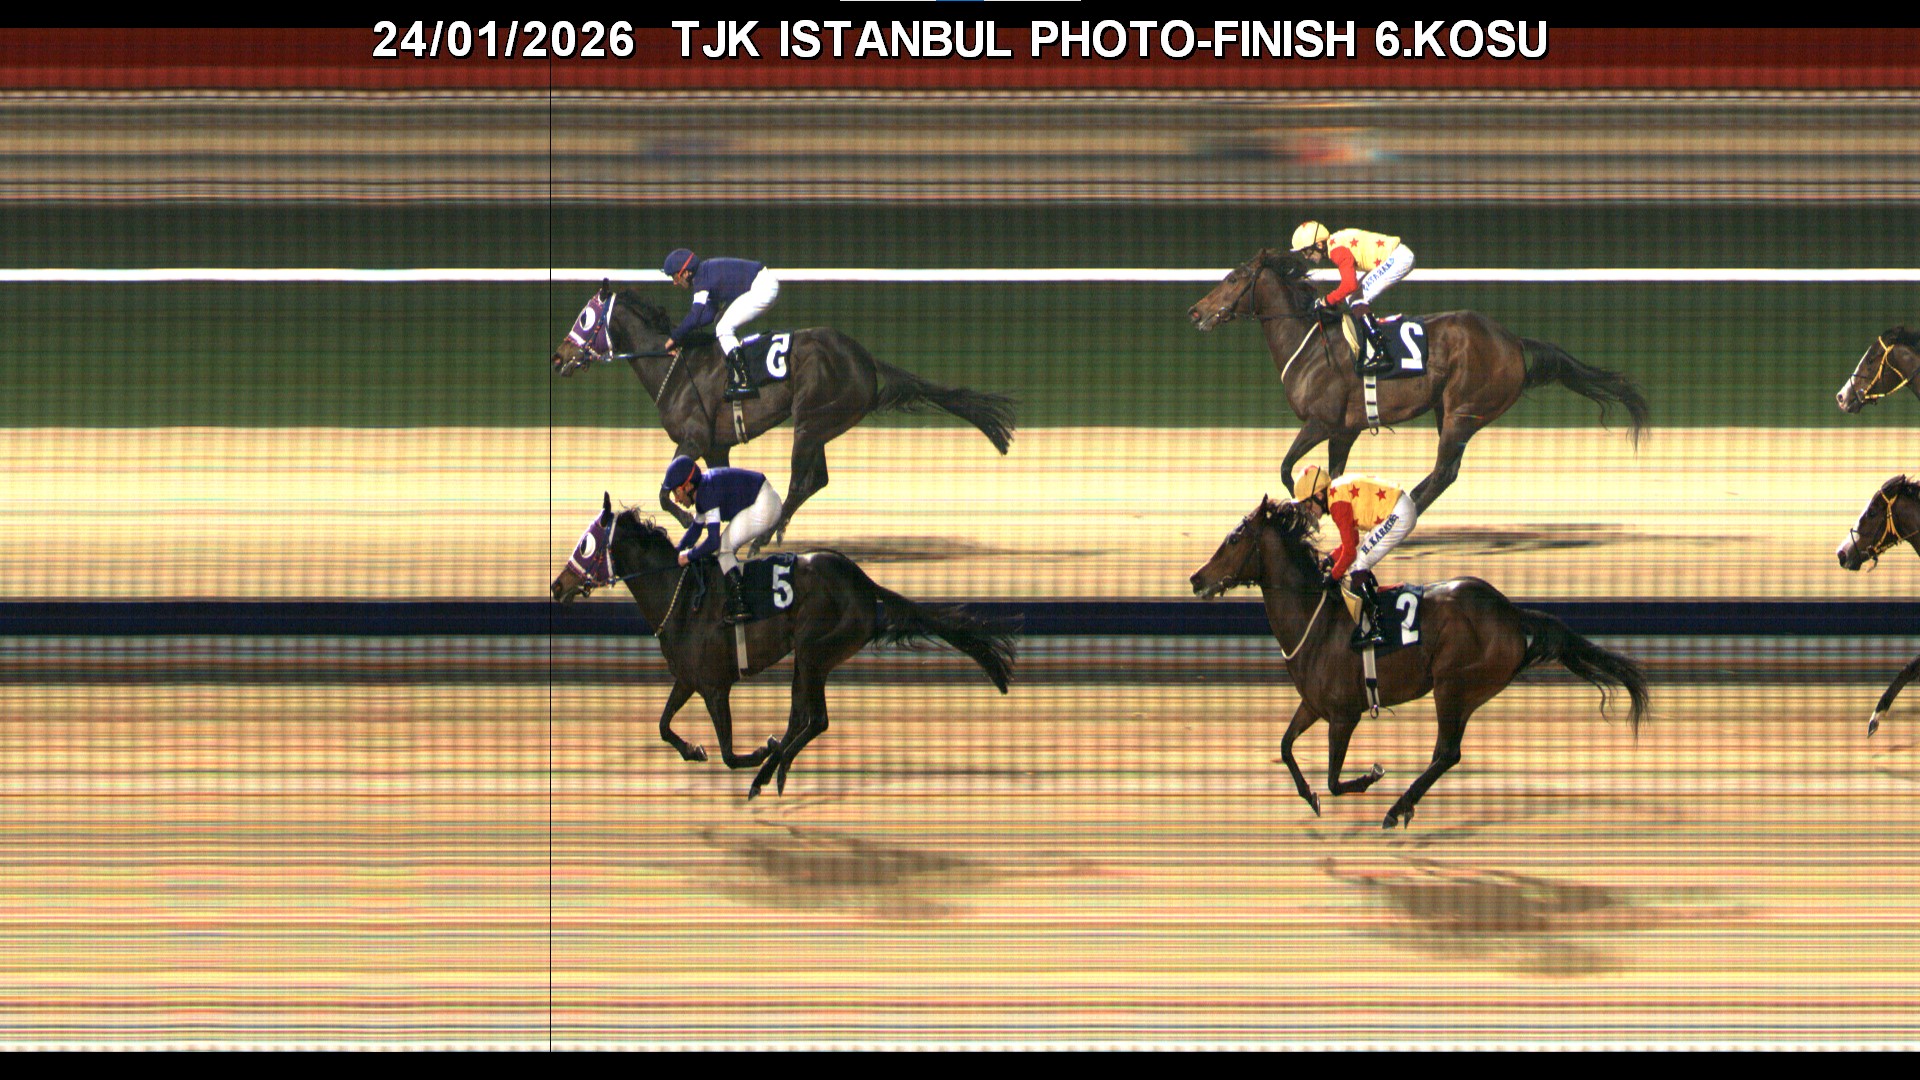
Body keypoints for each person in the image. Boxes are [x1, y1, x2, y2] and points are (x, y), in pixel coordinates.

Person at [1291, 464, 1418, 647]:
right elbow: (1353, 540)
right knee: (1358, 562)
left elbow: (1350, 552)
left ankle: (1378, 627)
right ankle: (1376, 610)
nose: (1308, 511)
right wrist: (1330, 560)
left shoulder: (1337, 504)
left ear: (1318, 495)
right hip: (1399, 508)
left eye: (1307, 504)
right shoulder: (1336, 493)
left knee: (1358, 564)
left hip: (1398, 513)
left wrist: (1332, 578)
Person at [662, 455, 785, 625]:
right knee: (724, 548)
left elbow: (713, 542)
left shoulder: (707, 493)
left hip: (765, 504)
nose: (676, 499)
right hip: (765, 498)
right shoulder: (703, 490)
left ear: (688, 486)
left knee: (723, 548)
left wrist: (688, 556)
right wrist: (676, 552)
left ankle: (741, 603)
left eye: (677, 492)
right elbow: (695, 530)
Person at [1289, 222, 1415, 370]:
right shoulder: (1335, 243)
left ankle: (1382, 353)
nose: (1306, 257)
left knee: (1359, 299)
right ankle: (1374, 345)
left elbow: (1350, 285)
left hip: (1398, 258)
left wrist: (1326, 301)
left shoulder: (1337, 251)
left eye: (1307, 251)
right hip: (1396, 255)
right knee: (1353, 298)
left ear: (1319, 245)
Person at [660, 248, 782, 402]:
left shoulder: (702, 279)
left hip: (763, 288)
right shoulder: (704, 273)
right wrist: (683, 334)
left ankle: (745, 380)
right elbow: (708, 315)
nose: (674, 283)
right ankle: (740, 368)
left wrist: (673, 339)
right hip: (763, 284)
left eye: (675, 277)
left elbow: (695, 315)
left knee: (724, 328)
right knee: (721, 321)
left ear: (686, 273)